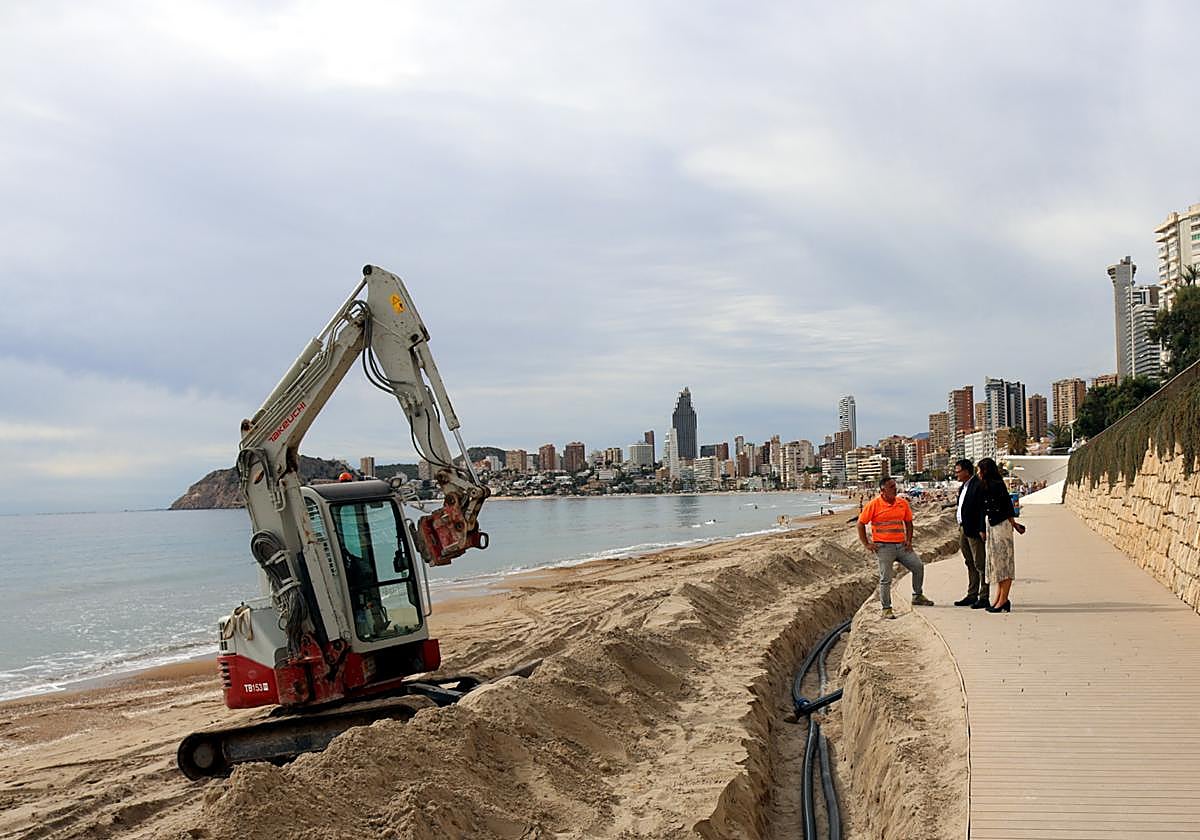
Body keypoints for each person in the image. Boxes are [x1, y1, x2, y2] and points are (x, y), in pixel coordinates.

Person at [857, 477, 934, 619]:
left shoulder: (902, 503)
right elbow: (861, 523)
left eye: (895, 485)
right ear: (883, 490)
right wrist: (867, 544)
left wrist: (909, 541)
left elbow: (909, 522)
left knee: (918, 566)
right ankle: (886, 609)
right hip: (884, 547)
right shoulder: (874, 504)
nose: (895, 488)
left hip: (901, 545)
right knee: (886, 578)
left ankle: (917, 595)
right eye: (891, 486)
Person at [977, 457, 1026, 612]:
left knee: (1004, 563)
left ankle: (1003, 600)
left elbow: (1006, 507)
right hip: (994, 526)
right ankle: (999, 598)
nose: (978, 473)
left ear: (985, 470)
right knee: (998, 564)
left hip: (1000, 527)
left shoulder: (996, 485)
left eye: (979, 469)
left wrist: (1014, 525)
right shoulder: (988, 485)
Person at [951, 458, 989, 608]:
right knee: (969, 562)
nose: (956, 474)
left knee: (980, 563)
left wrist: (981, 529)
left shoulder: (977, 485)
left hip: (974, 529)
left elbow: (981, 509)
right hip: (963, 528)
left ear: (966, 471)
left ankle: (984, 595)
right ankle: (972, 594)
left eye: (958, 471)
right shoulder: (963, 487)